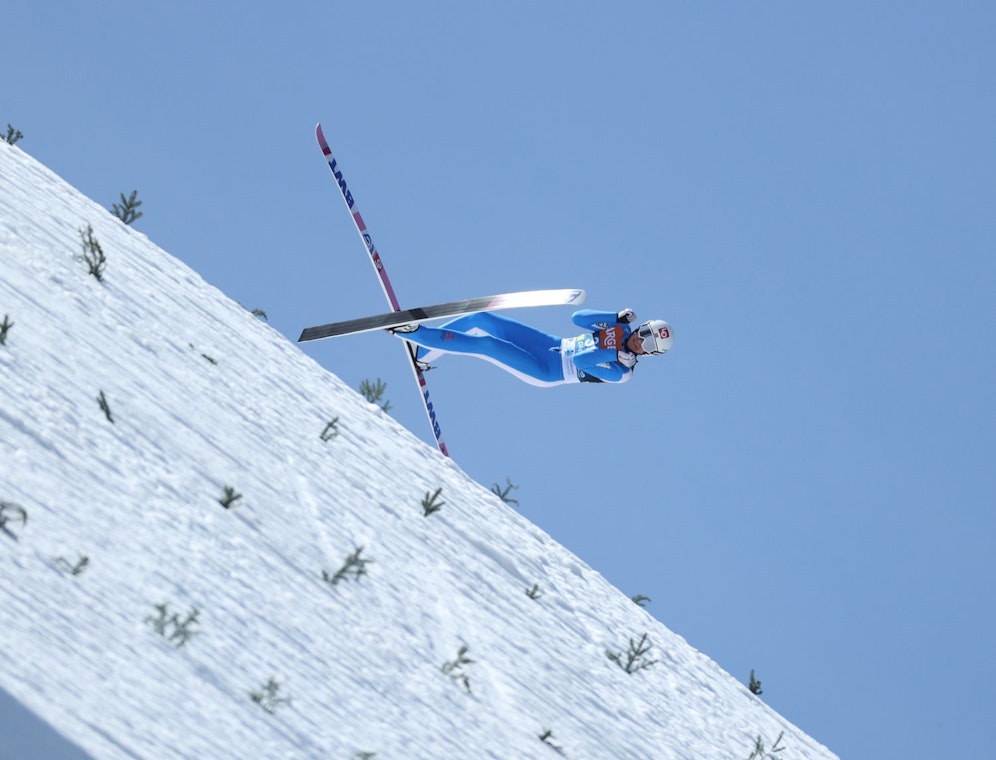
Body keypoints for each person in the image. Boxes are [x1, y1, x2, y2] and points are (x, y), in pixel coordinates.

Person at [390, 308, 672, 387]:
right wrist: (613, 319)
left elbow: (584, 362)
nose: (641, 339)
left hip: (546, 369)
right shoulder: (620, 329)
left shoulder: (623, 372)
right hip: (550, 344)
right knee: (483, 319)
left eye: (648, 343)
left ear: (651, 353)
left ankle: (416, 333)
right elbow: (577, 318)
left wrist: (612, 352)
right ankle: (423, 353)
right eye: (645, 332)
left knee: (488, 345)